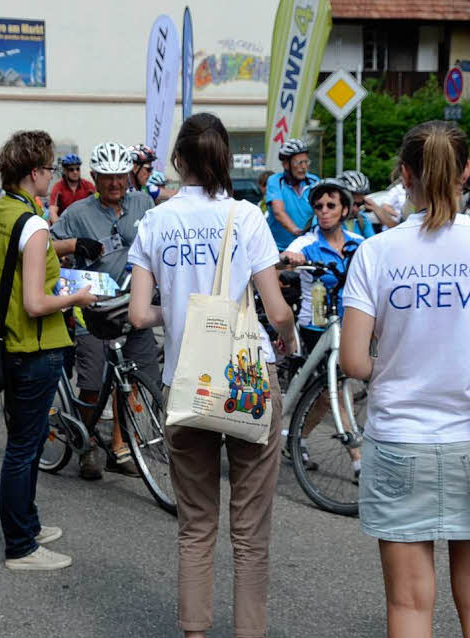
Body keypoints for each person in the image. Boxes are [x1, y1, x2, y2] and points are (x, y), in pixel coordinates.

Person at [339, 121, 470, 638]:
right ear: (467, 172)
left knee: (408, 607)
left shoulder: (376, 253)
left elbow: (354, 363)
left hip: (399, 437)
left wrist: (401, 358)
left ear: (404, 175)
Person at [128, 113, 298, 638]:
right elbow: (277, 310)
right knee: (249, 533)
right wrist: (288, 340)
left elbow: (138, 315)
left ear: (179, 160)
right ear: (224, 160)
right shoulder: (245, 218)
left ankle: (195, 633)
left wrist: (180, 312)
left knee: (195, 526)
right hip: (246, 381)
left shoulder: (155, 221)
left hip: (188, 384)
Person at [0, 130, 96, 571]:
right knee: (24, 449)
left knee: (22, 444)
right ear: (34, 172)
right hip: (35, 345)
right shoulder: (32, 224)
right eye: (49, 168)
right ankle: (21, 546)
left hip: (9, 341)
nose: (52, 175)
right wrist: (77, 297)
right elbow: (34, 302)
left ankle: (26, 522)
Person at [50, 141, 158, 479]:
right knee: (94, 383)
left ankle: (120, 445)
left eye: (121, 176)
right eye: (108, 177)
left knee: (137, 380)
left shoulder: (143, 202)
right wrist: (72, 245)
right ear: (94, 177)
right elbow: (45, 246)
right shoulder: (79, 212)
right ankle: (85, 445)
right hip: (94, 311)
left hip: (134, 304)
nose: (115, 183)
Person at [280, 178, 366, 472]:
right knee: (334, 391)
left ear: (345, 210)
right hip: (315, 329)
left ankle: (295, 438)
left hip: (348, 327)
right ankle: (358, 461)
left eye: (331, 205)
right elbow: (279, 264)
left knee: (326, 395)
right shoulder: (306, 243)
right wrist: (289, 259)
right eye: (319, 206)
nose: (324, 211)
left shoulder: (360, 245)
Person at [266, 138, 320, 251]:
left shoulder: (314, 181)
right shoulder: (275, 181)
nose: (304, 167)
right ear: (286, 164)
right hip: (279, 248)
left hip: (307, 247)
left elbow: (321, 209)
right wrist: (297, 231)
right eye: (299, 162)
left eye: (306, 162)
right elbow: (278, 212)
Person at [340, 170, 396, 236]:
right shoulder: (329, 220)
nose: (355, 209)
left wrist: (376, 208)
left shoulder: (362, 219)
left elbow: (396, 231)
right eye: (351, 203)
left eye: (359, 204)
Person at [47, 153, 95, 223]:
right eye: (71, 170)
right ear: (65, 171)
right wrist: (59, 228)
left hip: (84, 224)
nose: (75, 172)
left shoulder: (89, 186)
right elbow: (52, 212)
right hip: (65, 225)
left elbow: (98, 206)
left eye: (77, 169)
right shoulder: (58, 188)